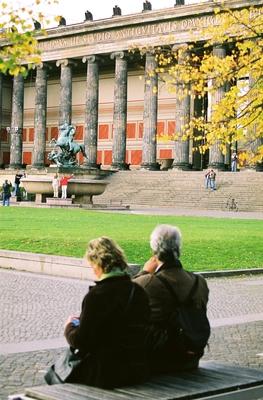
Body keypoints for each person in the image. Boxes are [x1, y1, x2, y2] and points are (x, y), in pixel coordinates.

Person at [45, 237, 150, 388]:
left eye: (91, 265)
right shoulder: (138, 291)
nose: (92, 269)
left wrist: (69, 327)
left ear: (98, 264)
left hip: (106, 373)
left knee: (55, 373)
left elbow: (82, 340)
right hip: (136, 369)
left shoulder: (97, 296)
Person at [133, 224, 210, 374]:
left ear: (154, 250)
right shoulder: (199, 282)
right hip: (191, 358)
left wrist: (143, 272)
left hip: (159, 360)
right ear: (179, 249)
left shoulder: (149, 282)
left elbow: (123, 293)